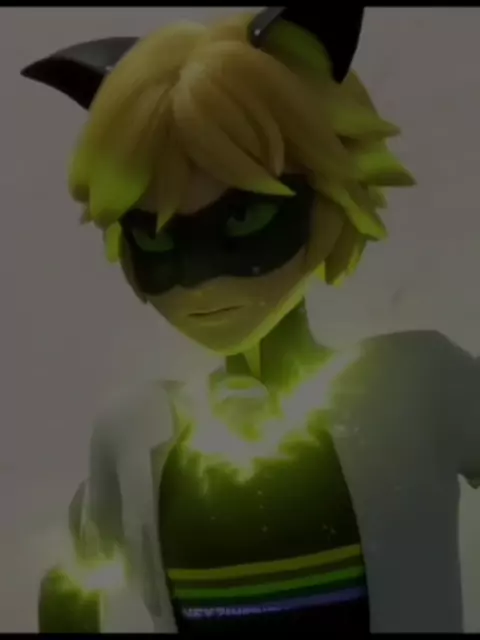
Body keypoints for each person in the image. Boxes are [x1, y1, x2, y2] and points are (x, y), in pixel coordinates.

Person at [22, 7, 480, 634]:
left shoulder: (416, 387)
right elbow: (75, 582)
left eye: (245, 219)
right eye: (155, 239)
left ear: (331, 193)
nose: (200, 279)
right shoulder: (133, 431)